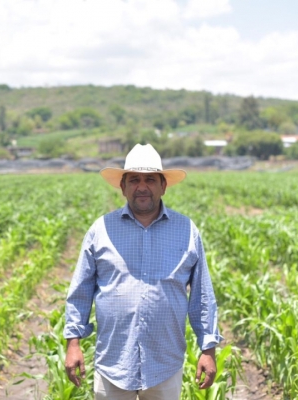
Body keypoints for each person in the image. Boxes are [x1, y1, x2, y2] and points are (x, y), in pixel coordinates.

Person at [64, 143, 222, 400]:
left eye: (150, 179)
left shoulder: (186, 230)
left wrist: (209, 349)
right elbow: (80, 292)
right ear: (122, 186)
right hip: (113, 361)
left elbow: (202, 296)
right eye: (134, 179)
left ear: (163, 186)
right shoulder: (100, 230)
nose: (142, 186)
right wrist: (73, 344)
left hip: (165, 363)